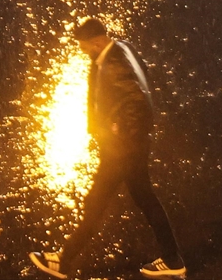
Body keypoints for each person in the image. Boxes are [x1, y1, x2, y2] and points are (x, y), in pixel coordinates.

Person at [29, 18, 186, 279]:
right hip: (131, 146)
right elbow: (141, 78)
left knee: (96, 202)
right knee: (145, 200)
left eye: (84, 46)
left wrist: (120, 134)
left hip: (123, 149)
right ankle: (172, 259)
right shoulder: (122, 48)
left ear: (97, 42)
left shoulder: (113, 63)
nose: (82, 51)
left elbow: (136, 100)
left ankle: (64, 261)